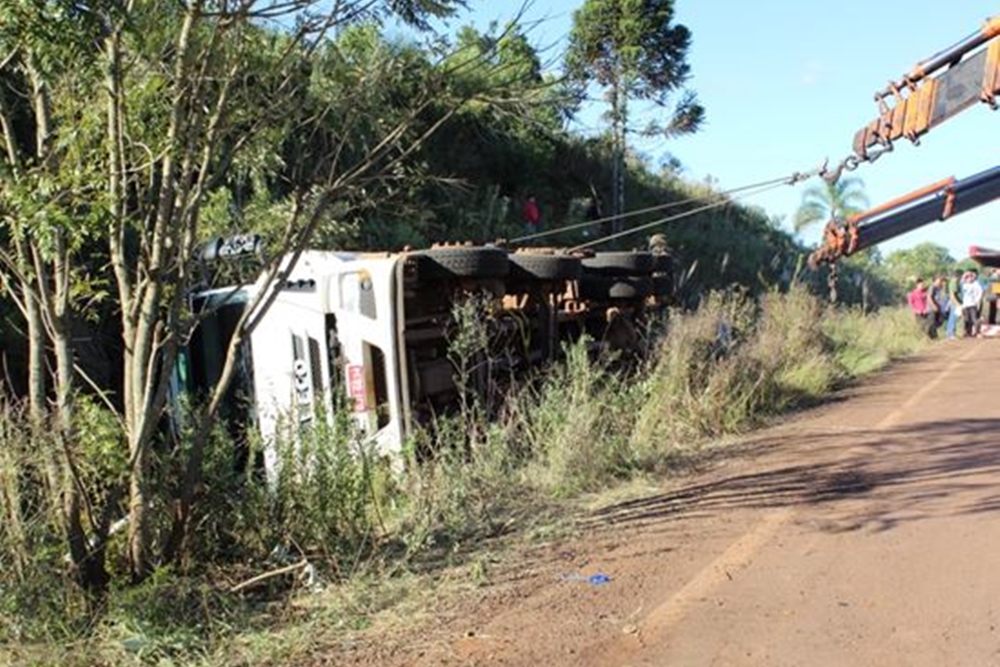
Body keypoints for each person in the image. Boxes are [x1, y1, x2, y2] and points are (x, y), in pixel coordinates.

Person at [961, 269, 984, 338]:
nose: (969, 278)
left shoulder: (975, 284)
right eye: (968, 277)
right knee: (966, 319)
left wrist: (977, 301)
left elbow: (980, 292)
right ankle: (968, 333)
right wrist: (966, 273)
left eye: (970, 277)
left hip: (972, 305)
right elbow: (962, 280)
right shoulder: (964, 285)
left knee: (974, 319)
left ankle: (977, 332)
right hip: (965, 305)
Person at [929, 275, 949, 339]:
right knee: (933, 322)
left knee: (940, 321)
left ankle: (933, 335)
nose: (940, 282)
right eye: (939, 280)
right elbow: (929, 297)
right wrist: (933, 306)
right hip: (932, 308)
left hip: (939, 308)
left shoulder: (940, 288)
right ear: (935, 281)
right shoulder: (933, 287)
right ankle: (933, 337)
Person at [946, 268, 963, 339]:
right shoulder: (953, 282)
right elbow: (952, 295)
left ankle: (951, 333)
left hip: (956, 302)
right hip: (954, 303)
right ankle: (950, 333)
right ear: (959, 275)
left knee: (953, 317)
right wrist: (957, 304)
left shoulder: (956, 282)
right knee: (953, 317)